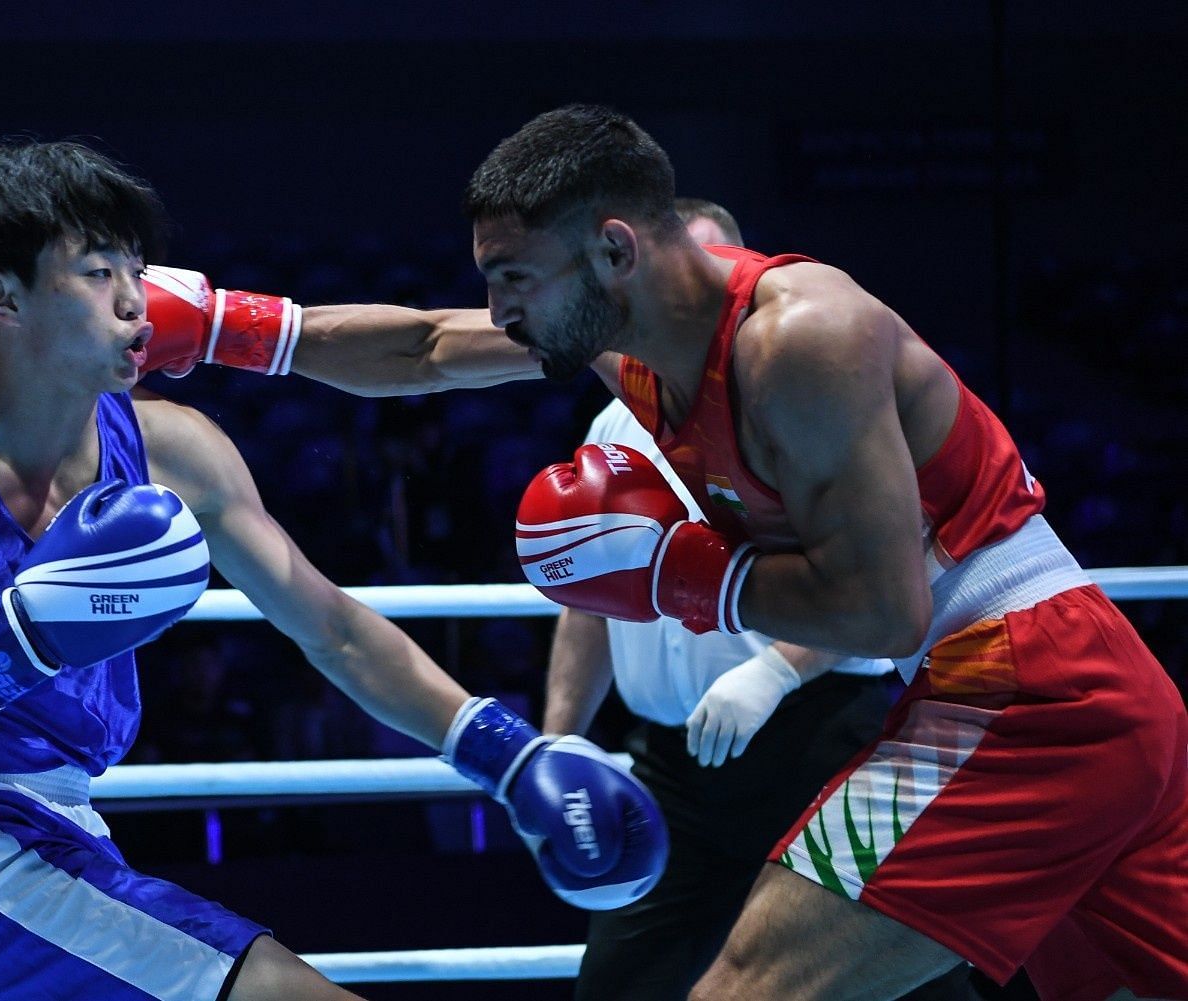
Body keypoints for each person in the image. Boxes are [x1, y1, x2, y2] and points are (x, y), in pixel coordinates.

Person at [139, 107, 1187, 1000]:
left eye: (514, 278)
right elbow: (425, 348)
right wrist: (231, 329)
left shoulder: (801, 338)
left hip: (1021, 690)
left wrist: (676, 575)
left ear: (613, 248)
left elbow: (884, 612)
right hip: (1045, 689)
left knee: (745, 985)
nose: (501, 309)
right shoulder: (632, 337)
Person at [0, 138, 668, 1001]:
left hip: (71, 836)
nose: (136, 299)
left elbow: (329, 626)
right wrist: (12, 638)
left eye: (137, 268)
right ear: (4, 294)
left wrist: (507, 755)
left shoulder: (174, 448)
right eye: (98, 272)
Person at [546, 200, 945, 1001]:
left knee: (892, 980)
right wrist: (557, 742)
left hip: (818, 735)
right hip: (671, 765)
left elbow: (889, 572)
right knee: (618, 986)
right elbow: (592, 596)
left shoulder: (794, 395)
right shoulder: (615, 417)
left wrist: (776, 673)